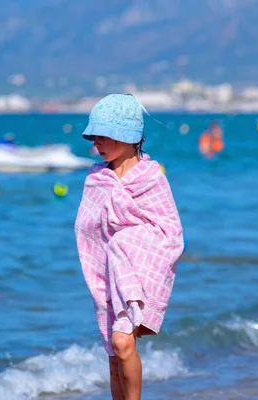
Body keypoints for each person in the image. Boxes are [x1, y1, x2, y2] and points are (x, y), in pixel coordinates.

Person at [75, 94, 184, 400]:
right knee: (114, 353)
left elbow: (171, 232)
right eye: (94, 136)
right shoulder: (97, 177)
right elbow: (87, 229)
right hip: (107, 275)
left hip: (138, 273)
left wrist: (127, 241)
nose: (97, 143)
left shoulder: (151, 177)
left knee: (123, 343)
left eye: (104, 136)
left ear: (126, 136)